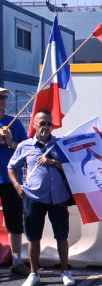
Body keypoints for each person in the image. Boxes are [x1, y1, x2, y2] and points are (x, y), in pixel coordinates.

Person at [7, 109, 75, 286]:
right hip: (34, 197)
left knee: (62, 236)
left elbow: (71, 167)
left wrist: (52, 162)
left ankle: (65, 272)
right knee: (33, 236)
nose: (46, 127)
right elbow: (12, 167)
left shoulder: (60, 145)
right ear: (34, 125)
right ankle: (34, 274)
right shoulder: (25, 146)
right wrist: (16, 185)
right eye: (42, 123)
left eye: (49, 124)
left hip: (58, 198)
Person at [0, 87, 30, 275]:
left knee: (14, 223)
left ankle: (17, 262)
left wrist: (10, 142)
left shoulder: (14, 122)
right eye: (0, 97)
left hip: (11, 180)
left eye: (4, 97)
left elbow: (26, 151)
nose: (3, 99)